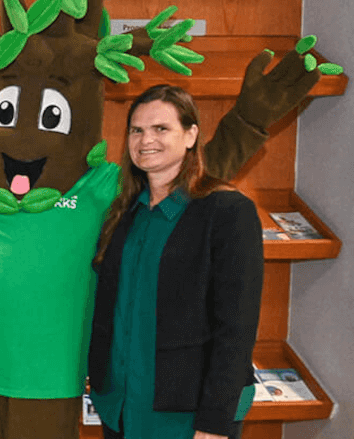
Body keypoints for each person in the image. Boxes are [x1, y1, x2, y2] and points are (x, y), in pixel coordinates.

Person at [88, 85, 264, 439]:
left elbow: (236, 329)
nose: (145, 140)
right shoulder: (123, 213)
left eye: (160, 129)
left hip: (187, 417)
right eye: (136, 130)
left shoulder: (228, 212)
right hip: (120, 408)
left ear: (190, 135)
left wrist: (213, 424)